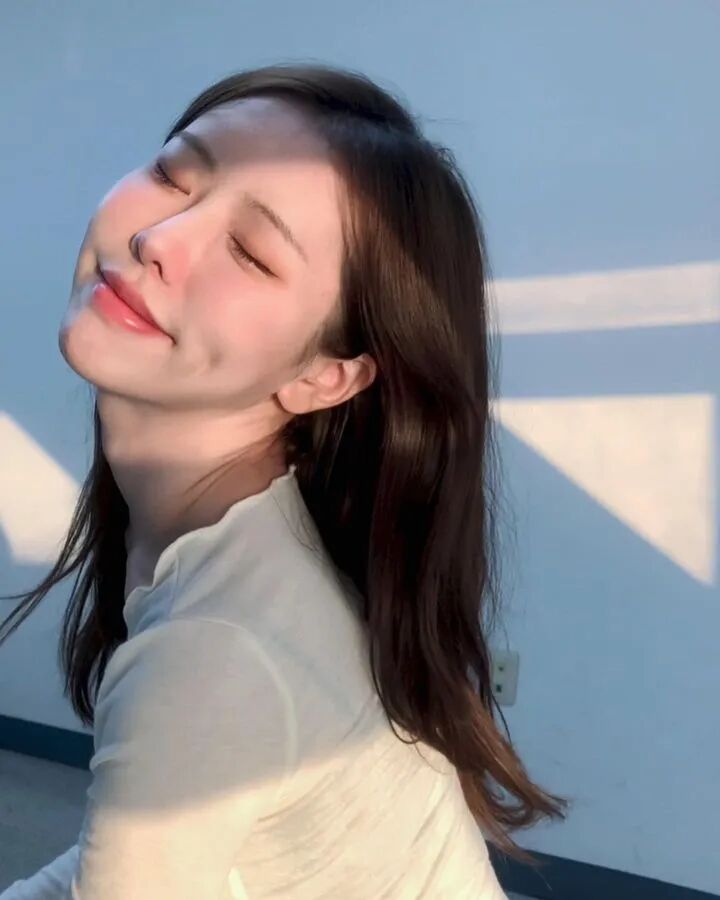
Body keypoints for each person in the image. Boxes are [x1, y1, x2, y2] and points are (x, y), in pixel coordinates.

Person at [0, 61, 568, 899]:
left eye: (251, 254)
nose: (160, 239)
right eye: (174, 175)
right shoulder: (250, 535)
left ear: (326, 377)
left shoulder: (214, 647)